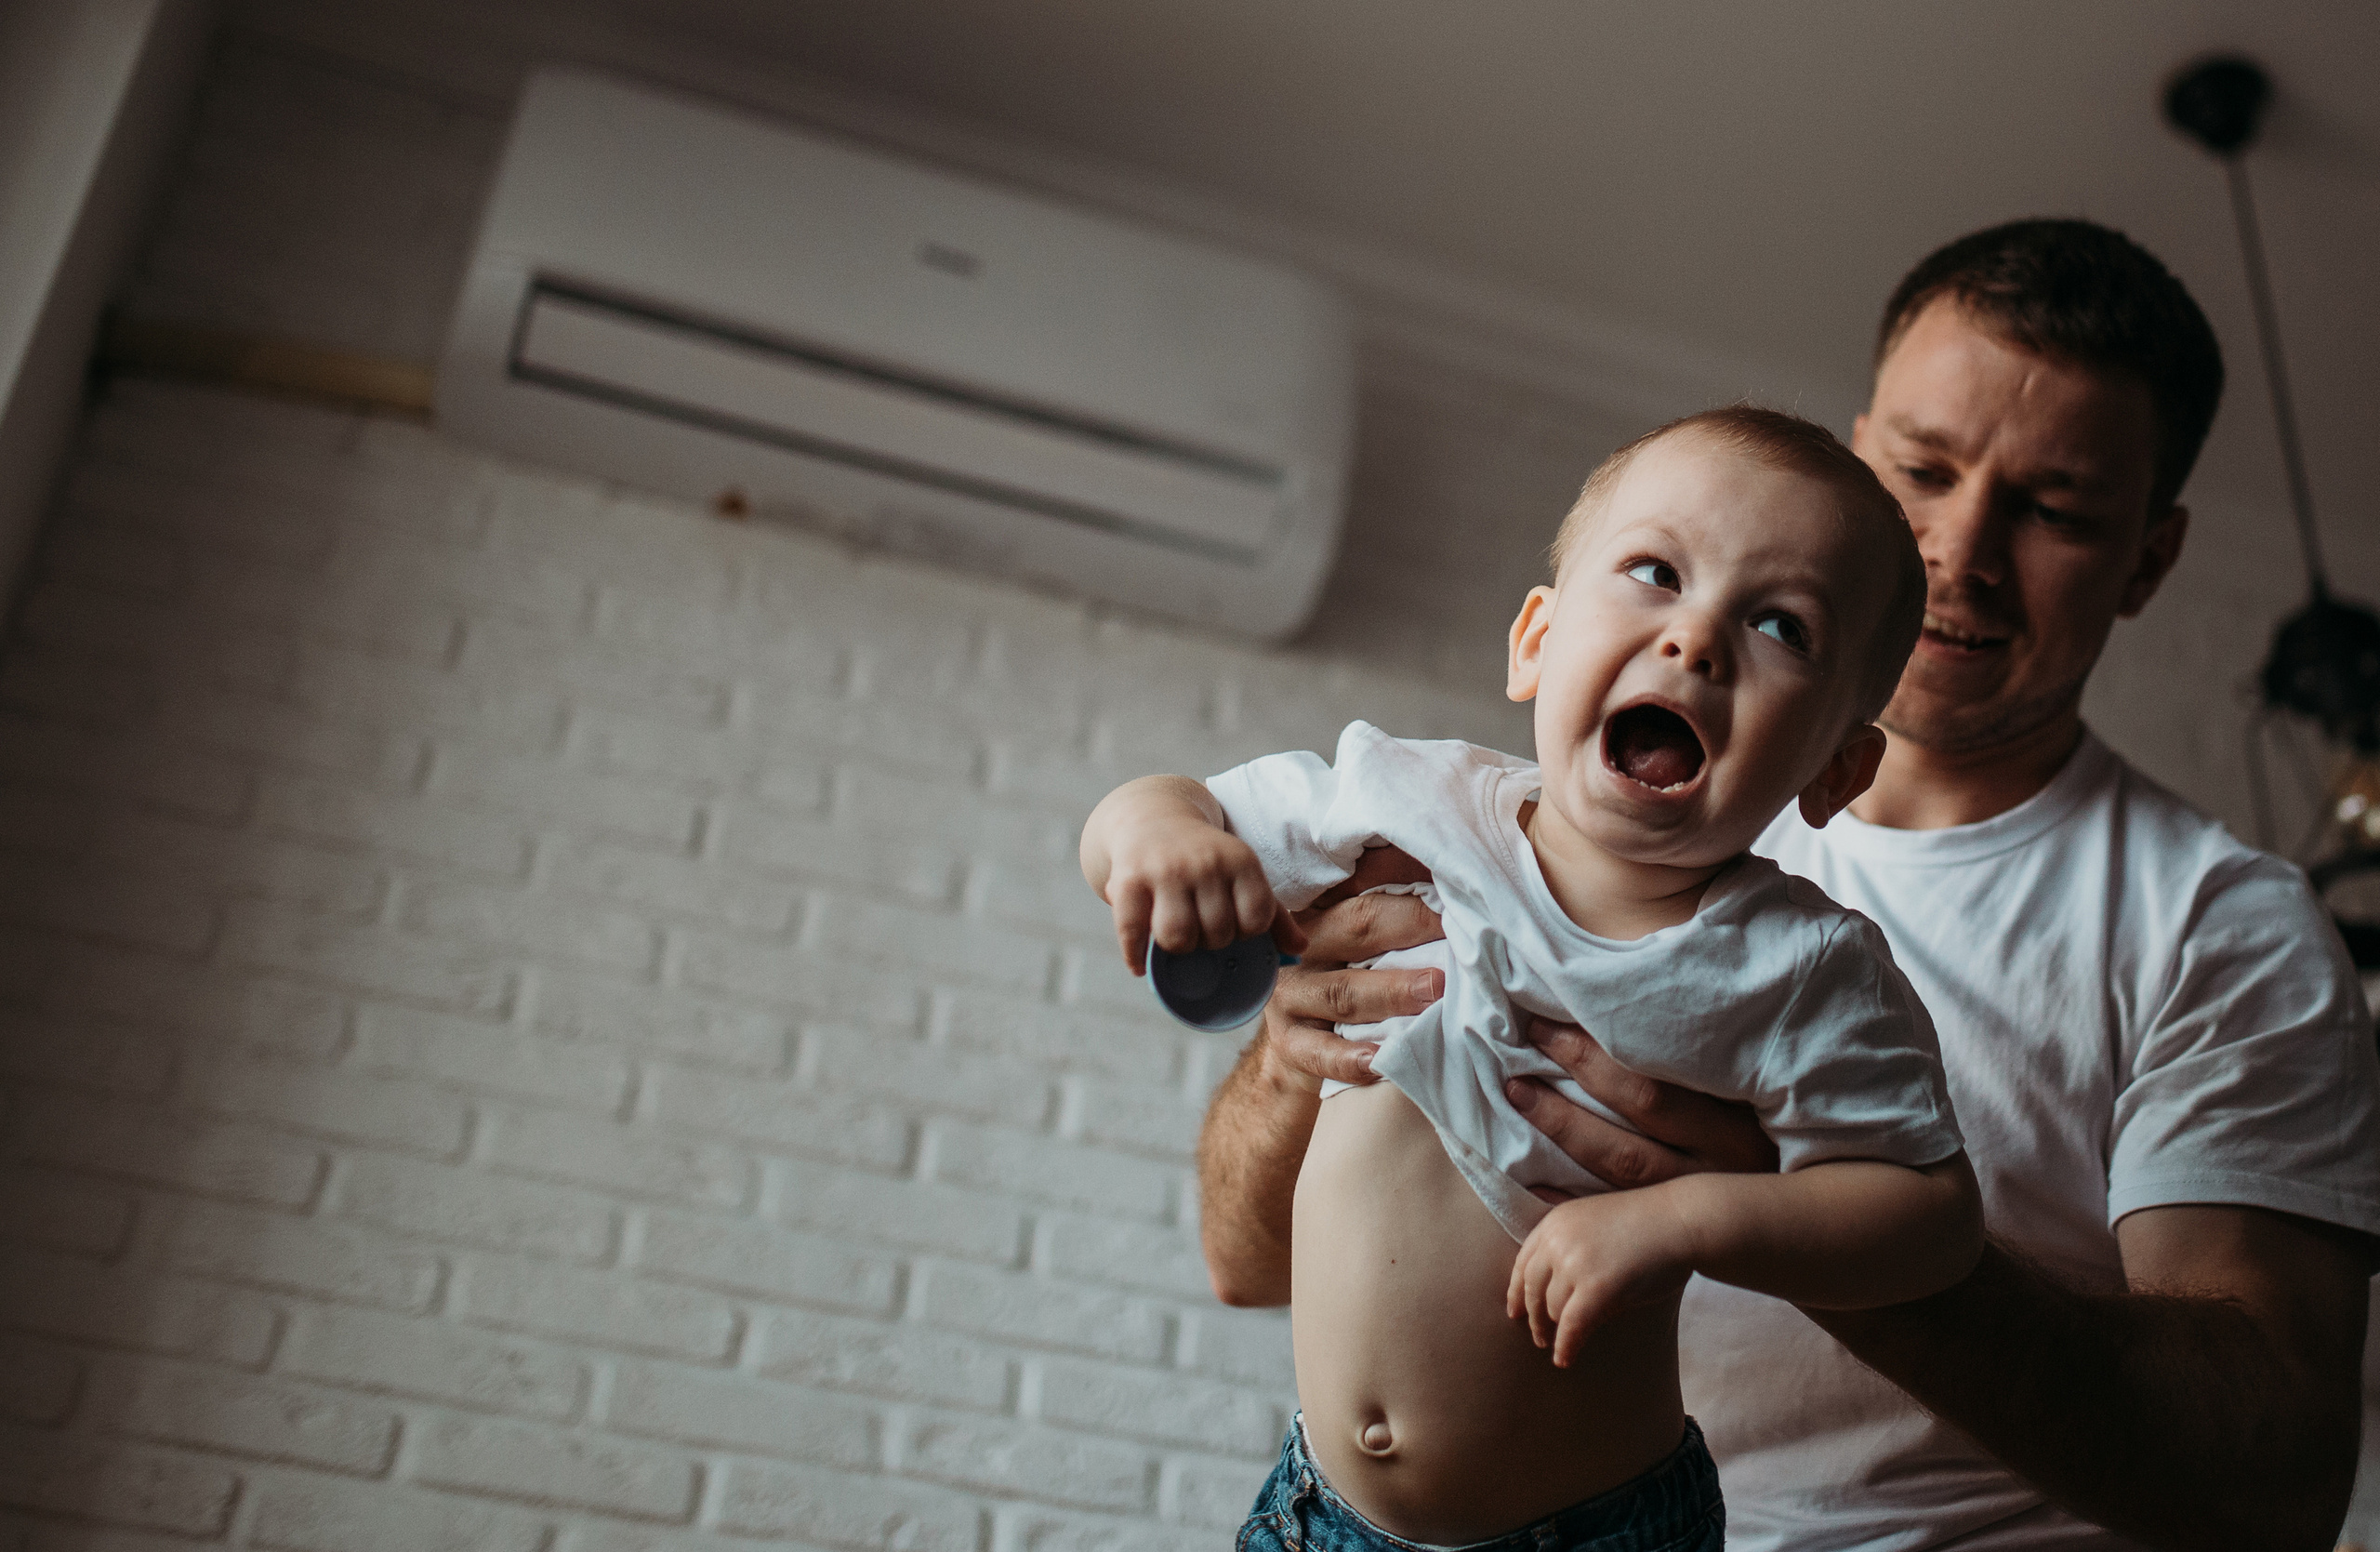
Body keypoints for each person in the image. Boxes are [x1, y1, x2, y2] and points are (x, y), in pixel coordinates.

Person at [1194, 219, 2380, 1552]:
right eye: (1922, 470)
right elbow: (1247, 1266)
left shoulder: (2222, 930)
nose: (1959, 550)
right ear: (1861, 454)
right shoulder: (1557, 816)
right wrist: (1295, 1062)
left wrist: (1778, 1210)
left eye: (2054, 510)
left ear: (2151, 558)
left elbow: (2270, 1493)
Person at [1083, 407, 1983, 1551]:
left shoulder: (1797, 965)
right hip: (1318, 1515)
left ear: (1837, 769)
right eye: (1655, 572)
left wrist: (1687, 1218)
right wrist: (1160, 836)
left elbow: (1932, 1219)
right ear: (1535, 643)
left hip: (1593, 1532)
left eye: (1781, 627)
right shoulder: (1406, 803)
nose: (1695, 640)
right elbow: (1156, 806)